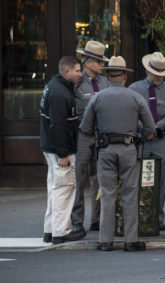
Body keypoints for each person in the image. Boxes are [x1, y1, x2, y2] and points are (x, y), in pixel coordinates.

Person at [79, 56, 156, 251]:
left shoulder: (98, 97)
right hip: (129, 149)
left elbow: (85, 127)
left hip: (105, 149)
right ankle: (130, 240)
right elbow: (150, 128)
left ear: (107, 75)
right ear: (124, 76)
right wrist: (140, 133)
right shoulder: (135, 97)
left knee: (107, 194)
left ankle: (106, 240)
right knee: (130, 194)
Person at [40, 56, 86, 244]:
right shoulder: (60, 93)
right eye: (77, 71)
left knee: (55, 188)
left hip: (52, 148)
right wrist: (63, 154)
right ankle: (61, 232)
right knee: (64, 189)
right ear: (67, 72)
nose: (80, 74)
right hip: (61, 150)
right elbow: (58, 126)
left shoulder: (53, 86)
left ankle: (50, 230)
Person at [129, 52, 165, 231]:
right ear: (148, 71)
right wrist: (146, 129)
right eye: (156, 73)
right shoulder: (134, 88)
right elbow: (131, 113)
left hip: (161, 141)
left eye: (162, 74)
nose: (159, 77)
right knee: (141, 180)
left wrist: (156, 129)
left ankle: (158, 217)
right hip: (141, 142)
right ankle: (141, 217)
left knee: (161, 181)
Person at [72, 40, 110, 233]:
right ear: (87, 62)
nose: (102, 65)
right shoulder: (77, 83)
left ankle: (96, 219)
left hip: (101, 134)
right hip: (83, 135)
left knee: (99, 178)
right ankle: (77, 220)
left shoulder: (105, 82)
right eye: (99, 62)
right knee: (79, 178)